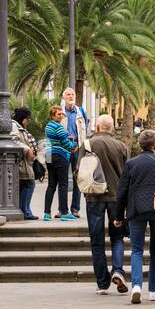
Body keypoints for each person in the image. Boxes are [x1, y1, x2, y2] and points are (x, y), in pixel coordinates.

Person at [114, 129, 155, 303]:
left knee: (136, 249)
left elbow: (122, 191)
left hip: (136, 209)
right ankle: (153, 289)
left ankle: (136, 285)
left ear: (140, 144)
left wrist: (118, 216)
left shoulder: (131, 163)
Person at [84, 114, 130, 295]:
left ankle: (102, 283)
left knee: (96, 241)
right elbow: (128, 174)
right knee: (117, 237)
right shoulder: (121, 146)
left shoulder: (88, 144)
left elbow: (79, 170)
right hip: (116, 197)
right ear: (111, 128)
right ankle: (117, 270)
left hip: (93, 196)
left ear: (97, 127)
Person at [43, 104, 78, 221]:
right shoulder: (58, 127)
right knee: (63, 184)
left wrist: (67, 139)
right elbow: (66, 144)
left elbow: (54, 140)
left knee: (51, 185)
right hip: (60, 156)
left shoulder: (48, 126)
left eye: (62, 114)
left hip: (49, 156)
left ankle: (47, 214)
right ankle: (64, 213)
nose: (61, 116)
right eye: (59, 114)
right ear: (53, 115)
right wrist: (74, 145)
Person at [61, 88, 90, 217]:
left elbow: (85, 131)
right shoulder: (59, 112)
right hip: (63, 148)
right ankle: (62, 209)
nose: (71, 96)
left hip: (78, 149)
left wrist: (82, 146)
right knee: (62, 180)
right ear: (64, 97)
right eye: (68, 94)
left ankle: (75, 209)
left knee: (78, 178)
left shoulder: (81, 111)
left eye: (72, 94)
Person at [11, 107, 40, 220]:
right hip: (21, 162)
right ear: (23, 118)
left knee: (26, 184)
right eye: (28, 119)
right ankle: (26, 212)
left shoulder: (18, 127)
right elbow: (14, 140)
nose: (29, 122)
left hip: (24, 162)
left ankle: (23, 211)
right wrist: (27, 149)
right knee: (29, 184)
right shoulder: (14, 125)